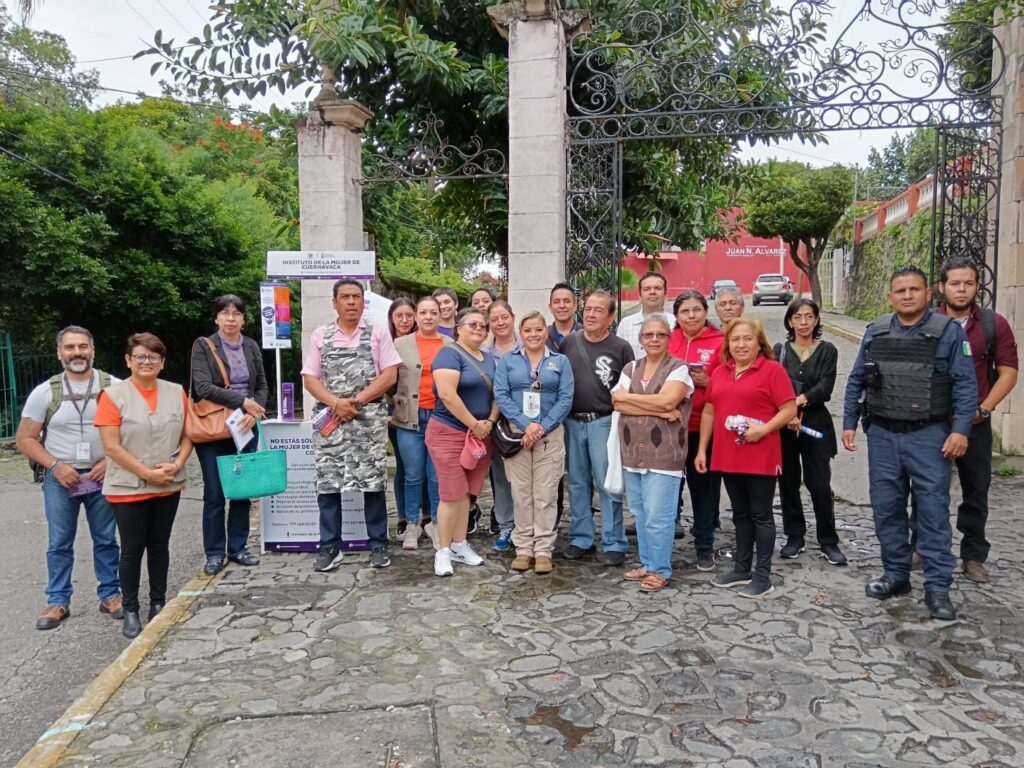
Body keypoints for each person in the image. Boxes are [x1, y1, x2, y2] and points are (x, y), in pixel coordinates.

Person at [842, 266, 977, 621]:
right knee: (886, 508)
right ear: (890, 296)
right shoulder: (876, 330)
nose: (907, 296)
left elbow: (965, 385)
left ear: (928, 294)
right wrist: (849, 423)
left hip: (928, 435)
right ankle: (896, 575)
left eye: (914, 290)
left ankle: (937, 588)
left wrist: (960, 430)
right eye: (900, 290)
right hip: (884, 435)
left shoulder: (947, 333)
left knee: (932, 513)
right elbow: (857, 378)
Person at [16, 326, 122, 631]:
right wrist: (55, 466)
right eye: (70, 347)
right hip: (61, 478)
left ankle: (110, 595)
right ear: (59, 353)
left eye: (83, 347)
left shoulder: (113, 386)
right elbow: (26, 438)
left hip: (102, 474)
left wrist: (110, 459)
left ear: (93, 350)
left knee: (105, 538)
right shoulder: (45, 392)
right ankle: (58, 600)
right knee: (59, 541)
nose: (77, 353)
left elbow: (132, 428)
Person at [95, 333, 192, 638]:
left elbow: (190, 435)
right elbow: (111, 446)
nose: (146, 362)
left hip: (168, 481)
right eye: (140, 356)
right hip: (127, 487)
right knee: (132, 549)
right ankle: (132, 609)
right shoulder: (113, 396)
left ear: (162, 363)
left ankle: (158, 604)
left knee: (160, 545)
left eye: (153, 357)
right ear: (128, 360)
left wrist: (177, 465)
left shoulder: (177, 392)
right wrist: (146, 474)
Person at [928, 258, 1019, 583]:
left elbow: (1008, 372)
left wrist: (983, 410)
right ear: (942, 287)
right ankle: (923, 547)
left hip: (975, 424)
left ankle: (973, 555)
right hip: (933, 422)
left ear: (977, 286)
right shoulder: (927, 322)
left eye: (968, 283)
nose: (962, 289)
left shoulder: (993, 324)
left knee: (976, 490)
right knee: (926, 489)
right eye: (955, 283)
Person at [302, 280, 401, 572]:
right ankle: (330, 547)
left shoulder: (378, 333)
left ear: (363, 302)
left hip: (367, 420)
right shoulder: (321, 335)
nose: (351, 302)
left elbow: (389, 375)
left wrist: (355, 401)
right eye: (345, 297)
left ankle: (378, 545)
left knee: (372, 483)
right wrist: (336, 403)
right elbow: (310, 378)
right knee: (329, 483)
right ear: (335, 302)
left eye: (356, 297)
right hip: (331, 420)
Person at [695, 318, 797, 598]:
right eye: (735, 339)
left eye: (747, 339)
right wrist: (703, 449)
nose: (741, 344)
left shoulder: (772, 371)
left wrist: (763, 430)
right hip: (728, 454)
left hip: (760, 453)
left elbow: (788, 410)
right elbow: (709, 411)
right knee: (740, 514)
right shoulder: (719, 373)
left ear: (759, 343)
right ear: (727, 344)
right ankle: (742, 568)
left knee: (761, 514)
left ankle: (763, 575)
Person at [190, 295, 269, 576]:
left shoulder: (251, 346)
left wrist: (254, 410)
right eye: (225, 313)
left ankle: (238, 547)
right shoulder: (203, 346)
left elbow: (260, 385)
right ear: (216, 318)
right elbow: (202, 386)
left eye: (237, 313)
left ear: (244, 318)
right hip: (214, 428)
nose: (231, 318)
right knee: (214, 492)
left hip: (245, 426)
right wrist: (241, 402)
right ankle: (214, 552)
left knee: (241, 490)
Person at [613, 316, 692, 592]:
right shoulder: (631, 367)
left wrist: (638, 401)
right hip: (632, 453)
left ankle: (660, 569)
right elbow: (616, 402)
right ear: (641, 339)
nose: (654, 339)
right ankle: (647, 563)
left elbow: (669, 400)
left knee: (659, 515)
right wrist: (659, 409)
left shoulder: (679, 368)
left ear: (669, 338)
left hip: (665, 455)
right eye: (649, 335)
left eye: (660, 334)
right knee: (641, 513)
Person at [494, 312, 574, 574]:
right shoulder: (507, 361)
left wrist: (541, 426)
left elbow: (566, 398)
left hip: (548, 434)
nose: (533, 335)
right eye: (527, 330)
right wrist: (525, 423)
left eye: (538, 329)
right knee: (521, 493)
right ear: (521, 332)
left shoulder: (560, 362)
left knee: (545, 494)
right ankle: (524, 547)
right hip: (518, 435)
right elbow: (501, 395)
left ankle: (542, 550)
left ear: (546, 332)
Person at [561, 289, 635, 565]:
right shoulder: (569, 343)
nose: (591, 314)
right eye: (588, 309)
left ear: (611, 317)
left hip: (603, 422)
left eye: (598, 310)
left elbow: (628, 388)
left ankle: (614, 541)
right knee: (577, 483)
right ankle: (581, 537)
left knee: (608, 484)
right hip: (572, 422)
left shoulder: (620, 348)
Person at [426, 308, 499, 576]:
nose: (479, 328)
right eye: (473, 324)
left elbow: (498, 395)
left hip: (481, 435)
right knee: (451, 492)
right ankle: (442, 551)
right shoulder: (449, 354)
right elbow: (447, 394)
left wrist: (489, 422)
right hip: (449, 432)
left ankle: (460, 543)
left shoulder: (490, 359)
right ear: (458, 327)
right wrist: (474, 424)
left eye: (483, 325)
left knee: (468, 493)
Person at [773, 299, 846, 566]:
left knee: (819, 484)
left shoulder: (828, 350)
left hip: (815, 422)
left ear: (816, 320)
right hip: (785, 425)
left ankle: (828, 540)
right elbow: (774, 383)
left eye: (809, 317)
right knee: (789, 482)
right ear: (790, 321)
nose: (803, 322)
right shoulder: (780, 350)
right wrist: (788, 413)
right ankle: (795, 536)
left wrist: (796, 404)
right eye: (798, 317)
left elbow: (825, 387)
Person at [667, 290, 725, 571]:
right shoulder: (668, 339)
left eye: (696, 310)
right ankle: (663, 543)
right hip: (669, 426)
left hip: (704, 427)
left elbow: (731, 382)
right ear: (676, 316)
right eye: (684, 311)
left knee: (703, 489)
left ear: (705, 311)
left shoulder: (720, 341)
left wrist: (709, 380)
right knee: (668, 487)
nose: (691, 316)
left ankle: (704, 545)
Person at [392, 296, 449, 552]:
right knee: (412, 475)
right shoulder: (399, 344)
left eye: (433, 312)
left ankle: (437, 523)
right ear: (416, 316)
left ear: (440, 316)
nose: (428, 317)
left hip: (440, 418)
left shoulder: (451, 345)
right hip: (409, 420)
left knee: (436, 476)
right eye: (423, 312)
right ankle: (412, 524)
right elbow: (387, 379)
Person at [481, 300, 520, 548]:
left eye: (504, 317)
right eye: (494, 319)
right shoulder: (484, 353)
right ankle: (506, 527)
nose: (500, 323)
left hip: (527, 422)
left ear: (512, 317)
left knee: (528, 480)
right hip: (497, 424)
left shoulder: (528, 344)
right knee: (502, 478)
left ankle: (528, 529)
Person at [386, 297, 421, 538]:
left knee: (424, 465)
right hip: (394, 411)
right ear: (391, 318)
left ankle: (427, 515)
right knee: (404, 466)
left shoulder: (420, 343)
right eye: (400, 316)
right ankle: (403, 517)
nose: (405, 320)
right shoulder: (386, 343)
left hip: (420, 410)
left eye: (409, 315)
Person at [616, 271, 675, 358]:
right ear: (640, 296)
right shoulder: (626, 324)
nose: (652, 292)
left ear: (665, 294)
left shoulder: (675, 323)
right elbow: (619, 356)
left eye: (657, 288)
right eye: (647, 289)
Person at [547, 282, 581, 353]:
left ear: (575, 306)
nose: (562, 306)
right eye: (557, 302)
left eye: (567, 301)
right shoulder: (543, 336)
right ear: (550, 307)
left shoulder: (586, 334)